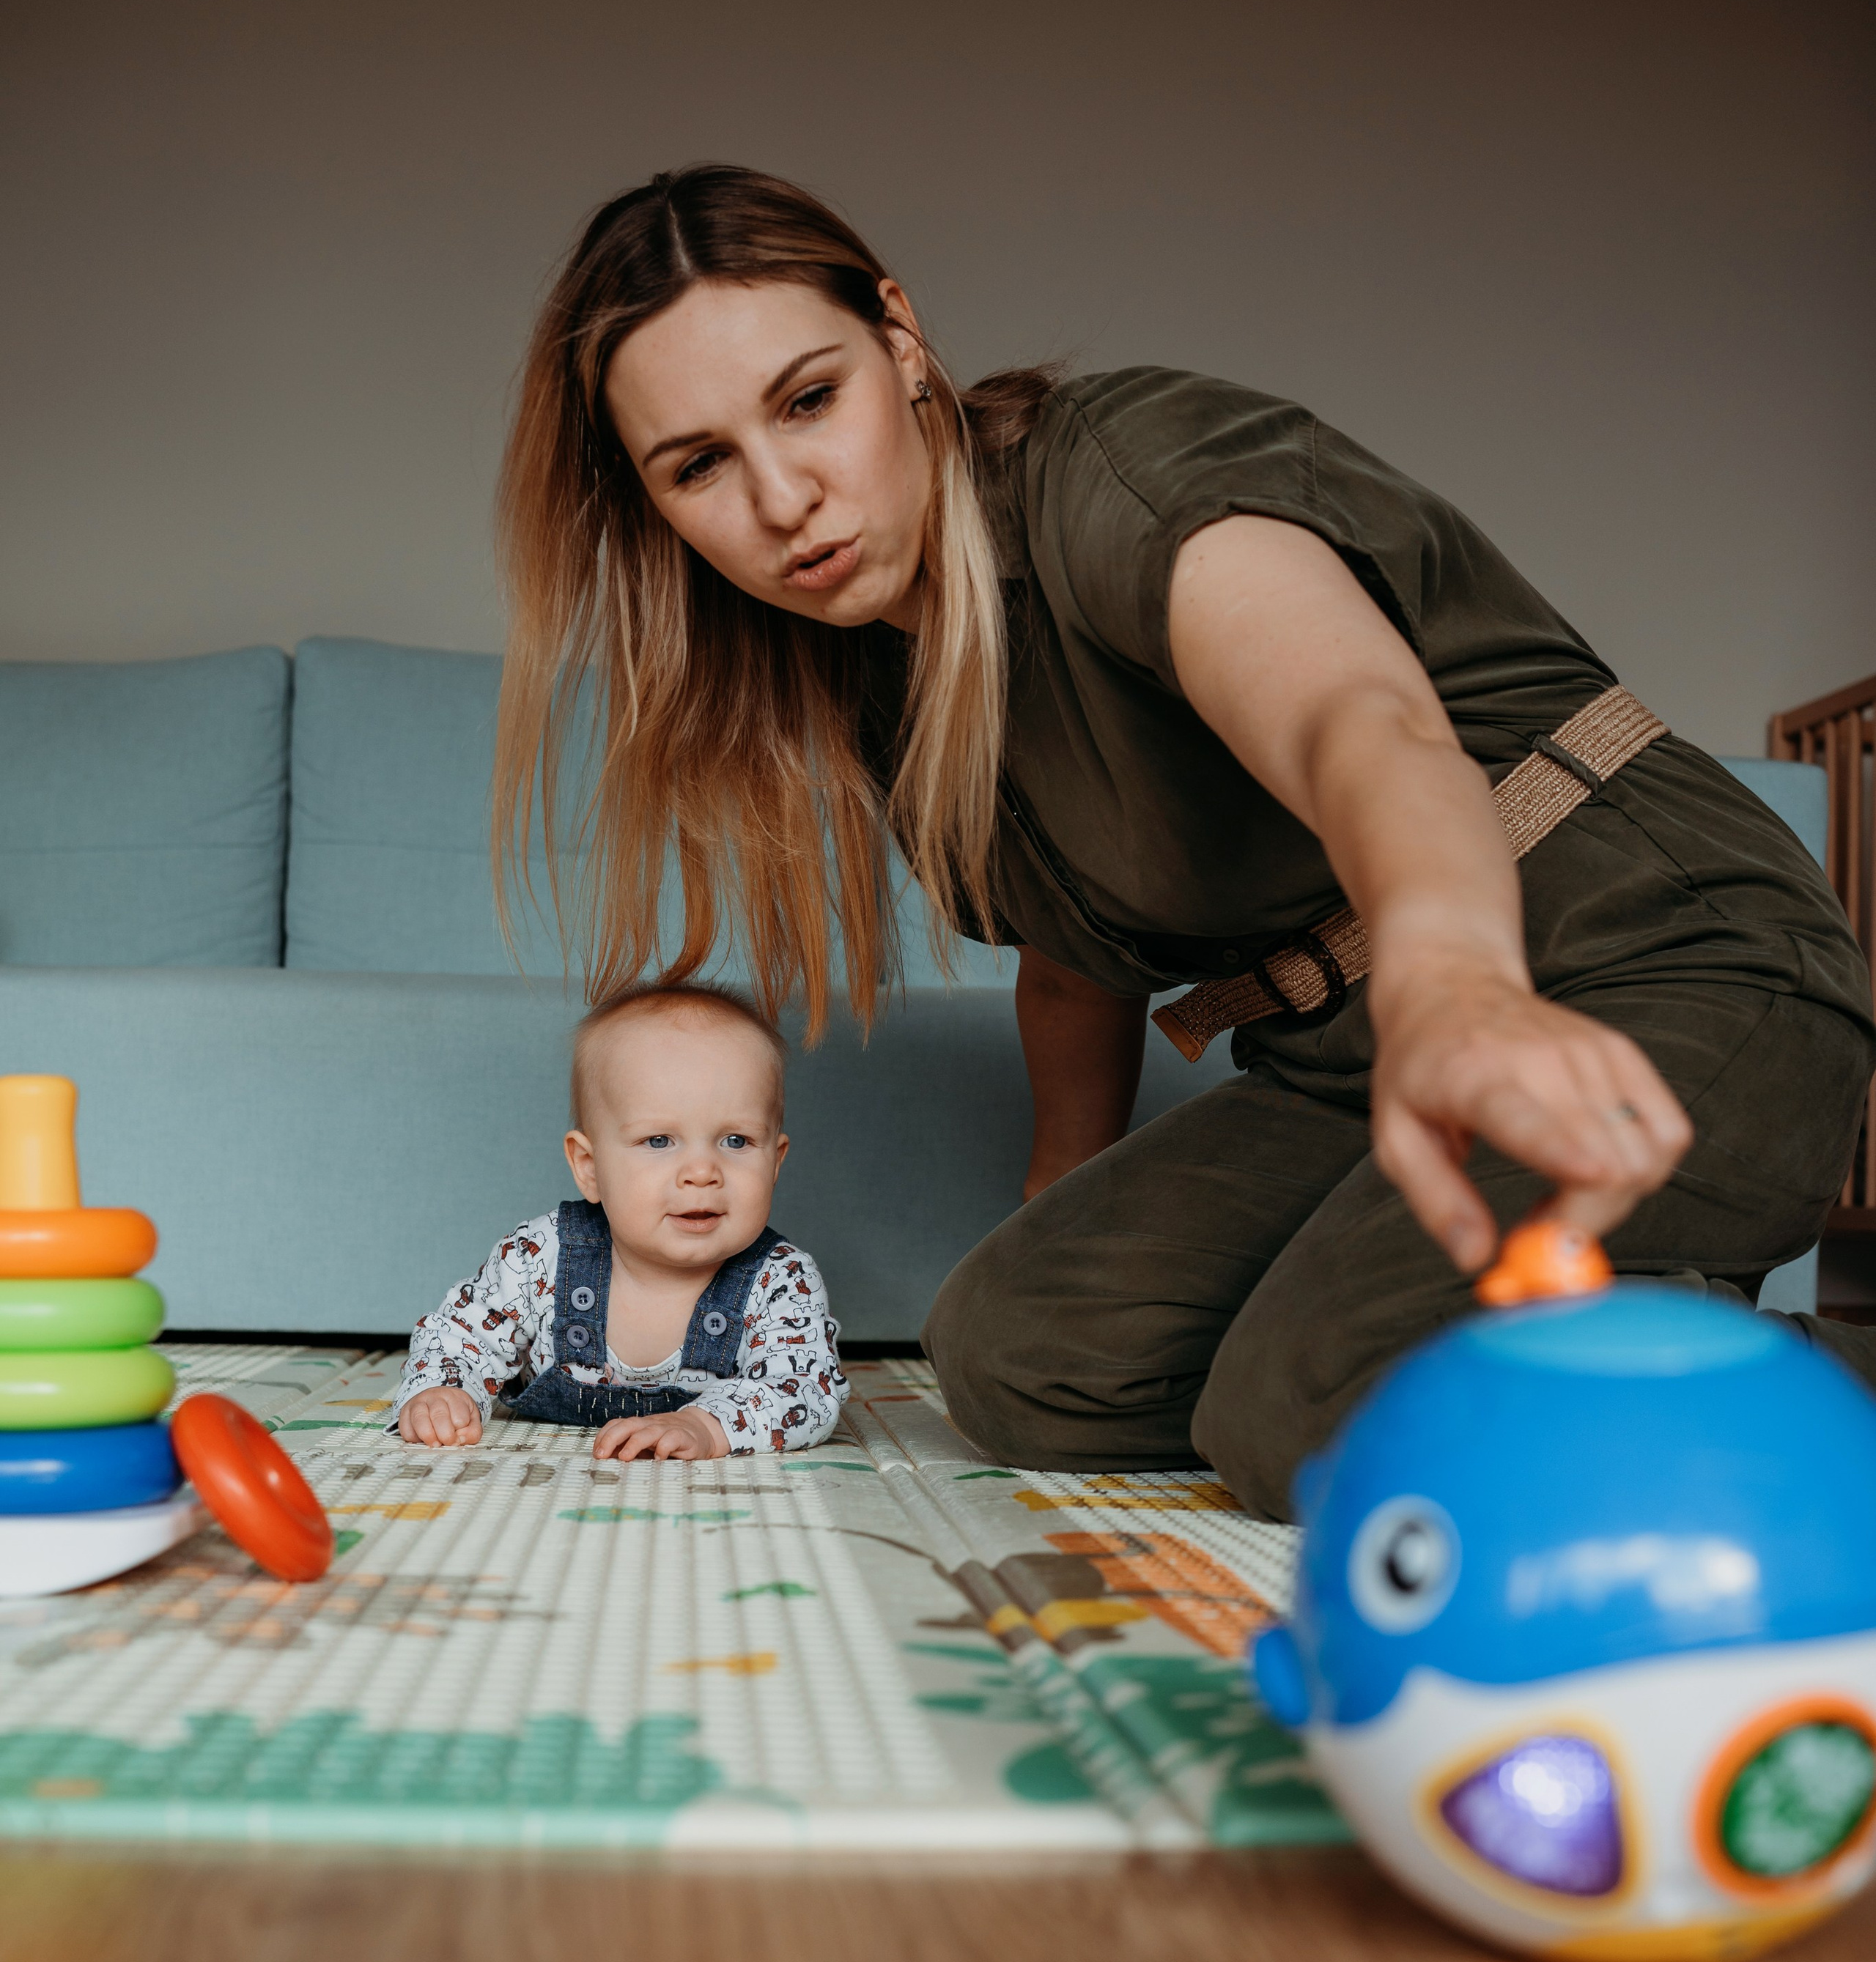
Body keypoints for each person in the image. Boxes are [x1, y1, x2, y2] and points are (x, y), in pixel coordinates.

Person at [491, 163, 1875, 1518]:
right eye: (701, 466)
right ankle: (1478, 1340)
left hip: (1664, 958)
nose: (783, 496)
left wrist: (1461, 986)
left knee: (1309, 1408)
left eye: (810, 400)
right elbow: (1075, 954)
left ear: (900, 341)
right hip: (1353, 1070)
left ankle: (1773, 1391)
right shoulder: (876, 681)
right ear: (654, 507)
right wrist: (1062, 1220)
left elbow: (1365, 726)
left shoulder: (1120, 471)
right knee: (1021, 1352)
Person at [394, 984, 846, 1457]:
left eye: (735, 1141)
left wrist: (708, 1427)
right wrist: (443, 1393)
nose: (701, 1173)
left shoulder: (780, 1279)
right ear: (589, 1168)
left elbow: (805, 1388)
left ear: (775, 1162)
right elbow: (460, 1336)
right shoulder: (539, 1256)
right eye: (658, 1141)